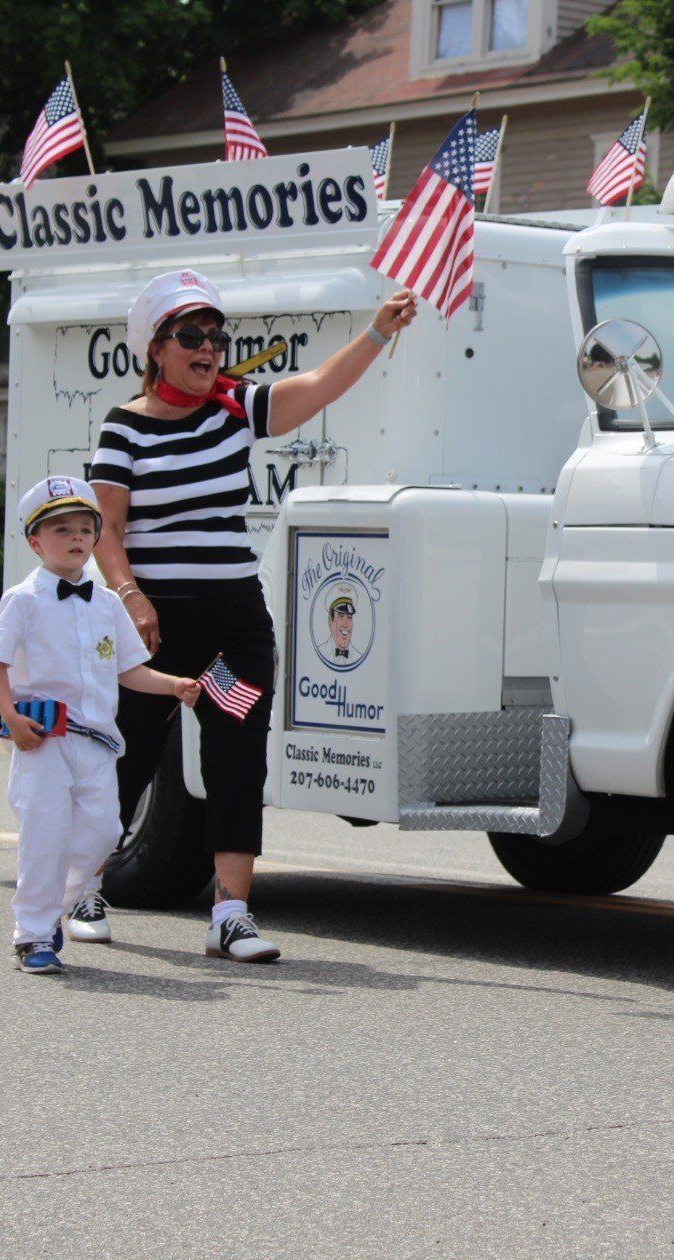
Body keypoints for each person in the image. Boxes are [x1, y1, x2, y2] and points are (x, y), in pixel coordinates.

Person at [90, 268, 416, 962]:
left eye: (216, 336)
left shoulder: (235, 408)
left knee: (236, 754)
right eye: (191, 336)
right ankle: (82, 886)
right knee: (130, 752)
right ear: (156, 348)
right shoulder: (123, 428)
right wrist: (129, 596)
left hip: (229, 628)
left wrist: (375, 333)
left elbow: (318, 386)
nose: (208, 348)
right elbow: (106, 530)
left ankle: (231, 915)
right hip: (154, 627)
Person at [0, 476, 200, 974]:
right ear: (35, 542)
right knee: (45, 838)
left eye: (85, 529)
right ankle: (33, 935)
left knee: (105, 832)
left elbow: (129, 669)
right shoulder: (23, 599)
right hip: (45, 740)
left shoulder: (107, 603)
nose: (76, 538)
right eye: (61, 529)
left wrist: (173, 685)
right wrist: (11, 718)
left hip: (99, 743)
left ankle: (54, 910)